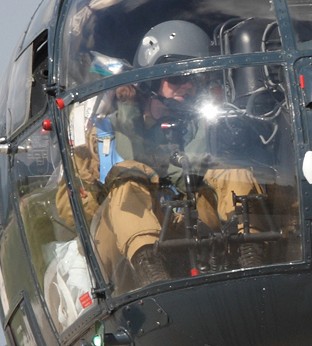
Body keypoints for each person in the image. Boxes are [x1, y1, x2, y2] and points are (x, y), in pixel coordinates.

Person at [90, 21, 266, 287]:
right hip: (122, 235)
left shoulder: (202, 125)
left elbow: (194, 173)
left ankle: (251, 250)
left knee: (232, 168)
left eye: (195, 79)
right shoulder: (107, 129)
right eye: (176, 78)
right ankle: (150, 269)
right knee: (128, 182)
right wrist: (129, 111)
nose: (187, 87)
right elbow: (114, 172)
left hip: (190, 222)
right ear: (151, 81)